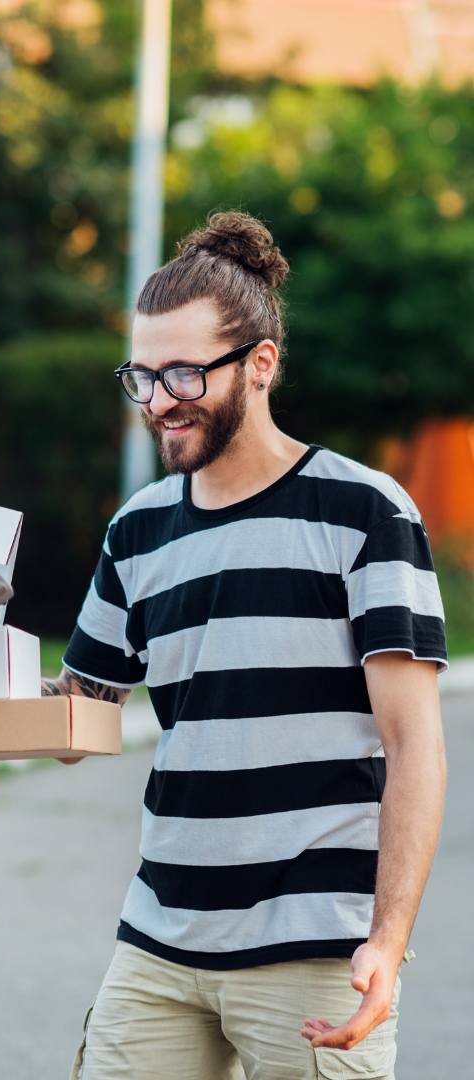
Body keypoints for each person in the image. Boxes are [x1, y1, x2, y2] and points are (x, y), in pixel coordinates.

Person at [43, 211, 447, 1080]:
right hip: (160, 938)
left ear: (260, 363)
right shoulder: (138, 529)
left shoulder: (366, 512)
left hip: (315, 951)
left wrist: (388, 936)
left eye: (184, 373)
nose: (158, 401)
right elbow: (80, 716)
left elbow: (417, 746)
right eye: (142, 377)